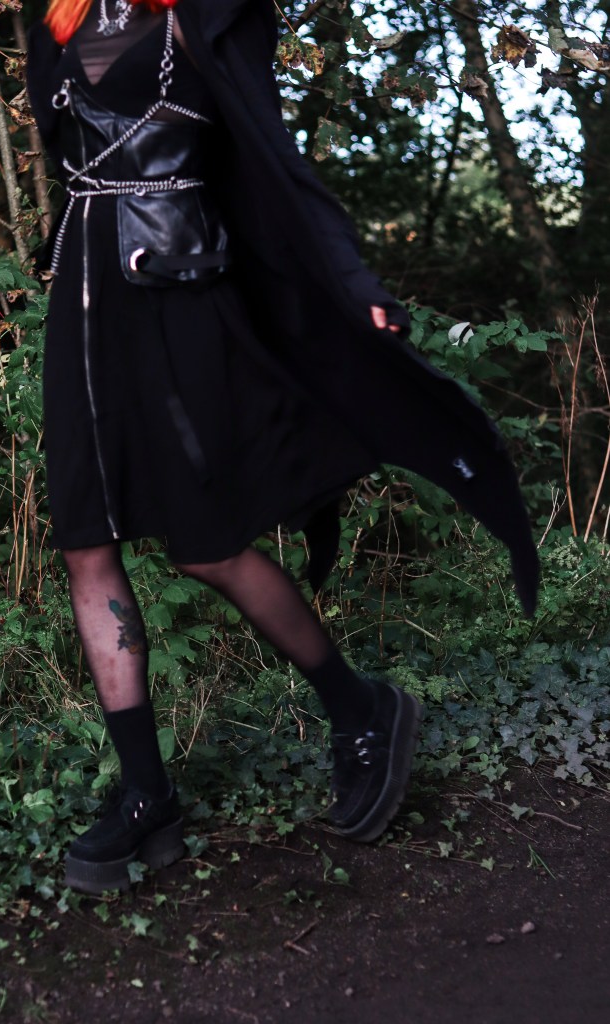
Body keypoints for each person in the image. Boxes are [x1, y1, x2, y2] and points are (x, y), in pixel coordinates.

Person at [26, 0, 538, 895]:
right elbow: (64, 159)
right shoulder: (59, 23)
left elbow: (274, 160)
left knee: (207, 545)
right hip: (84, 304)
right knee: (85, 542)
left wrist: (351, 279)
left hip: (180, 296)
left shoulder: (208, 18)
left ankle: (359, 706)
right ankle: (146, 794)